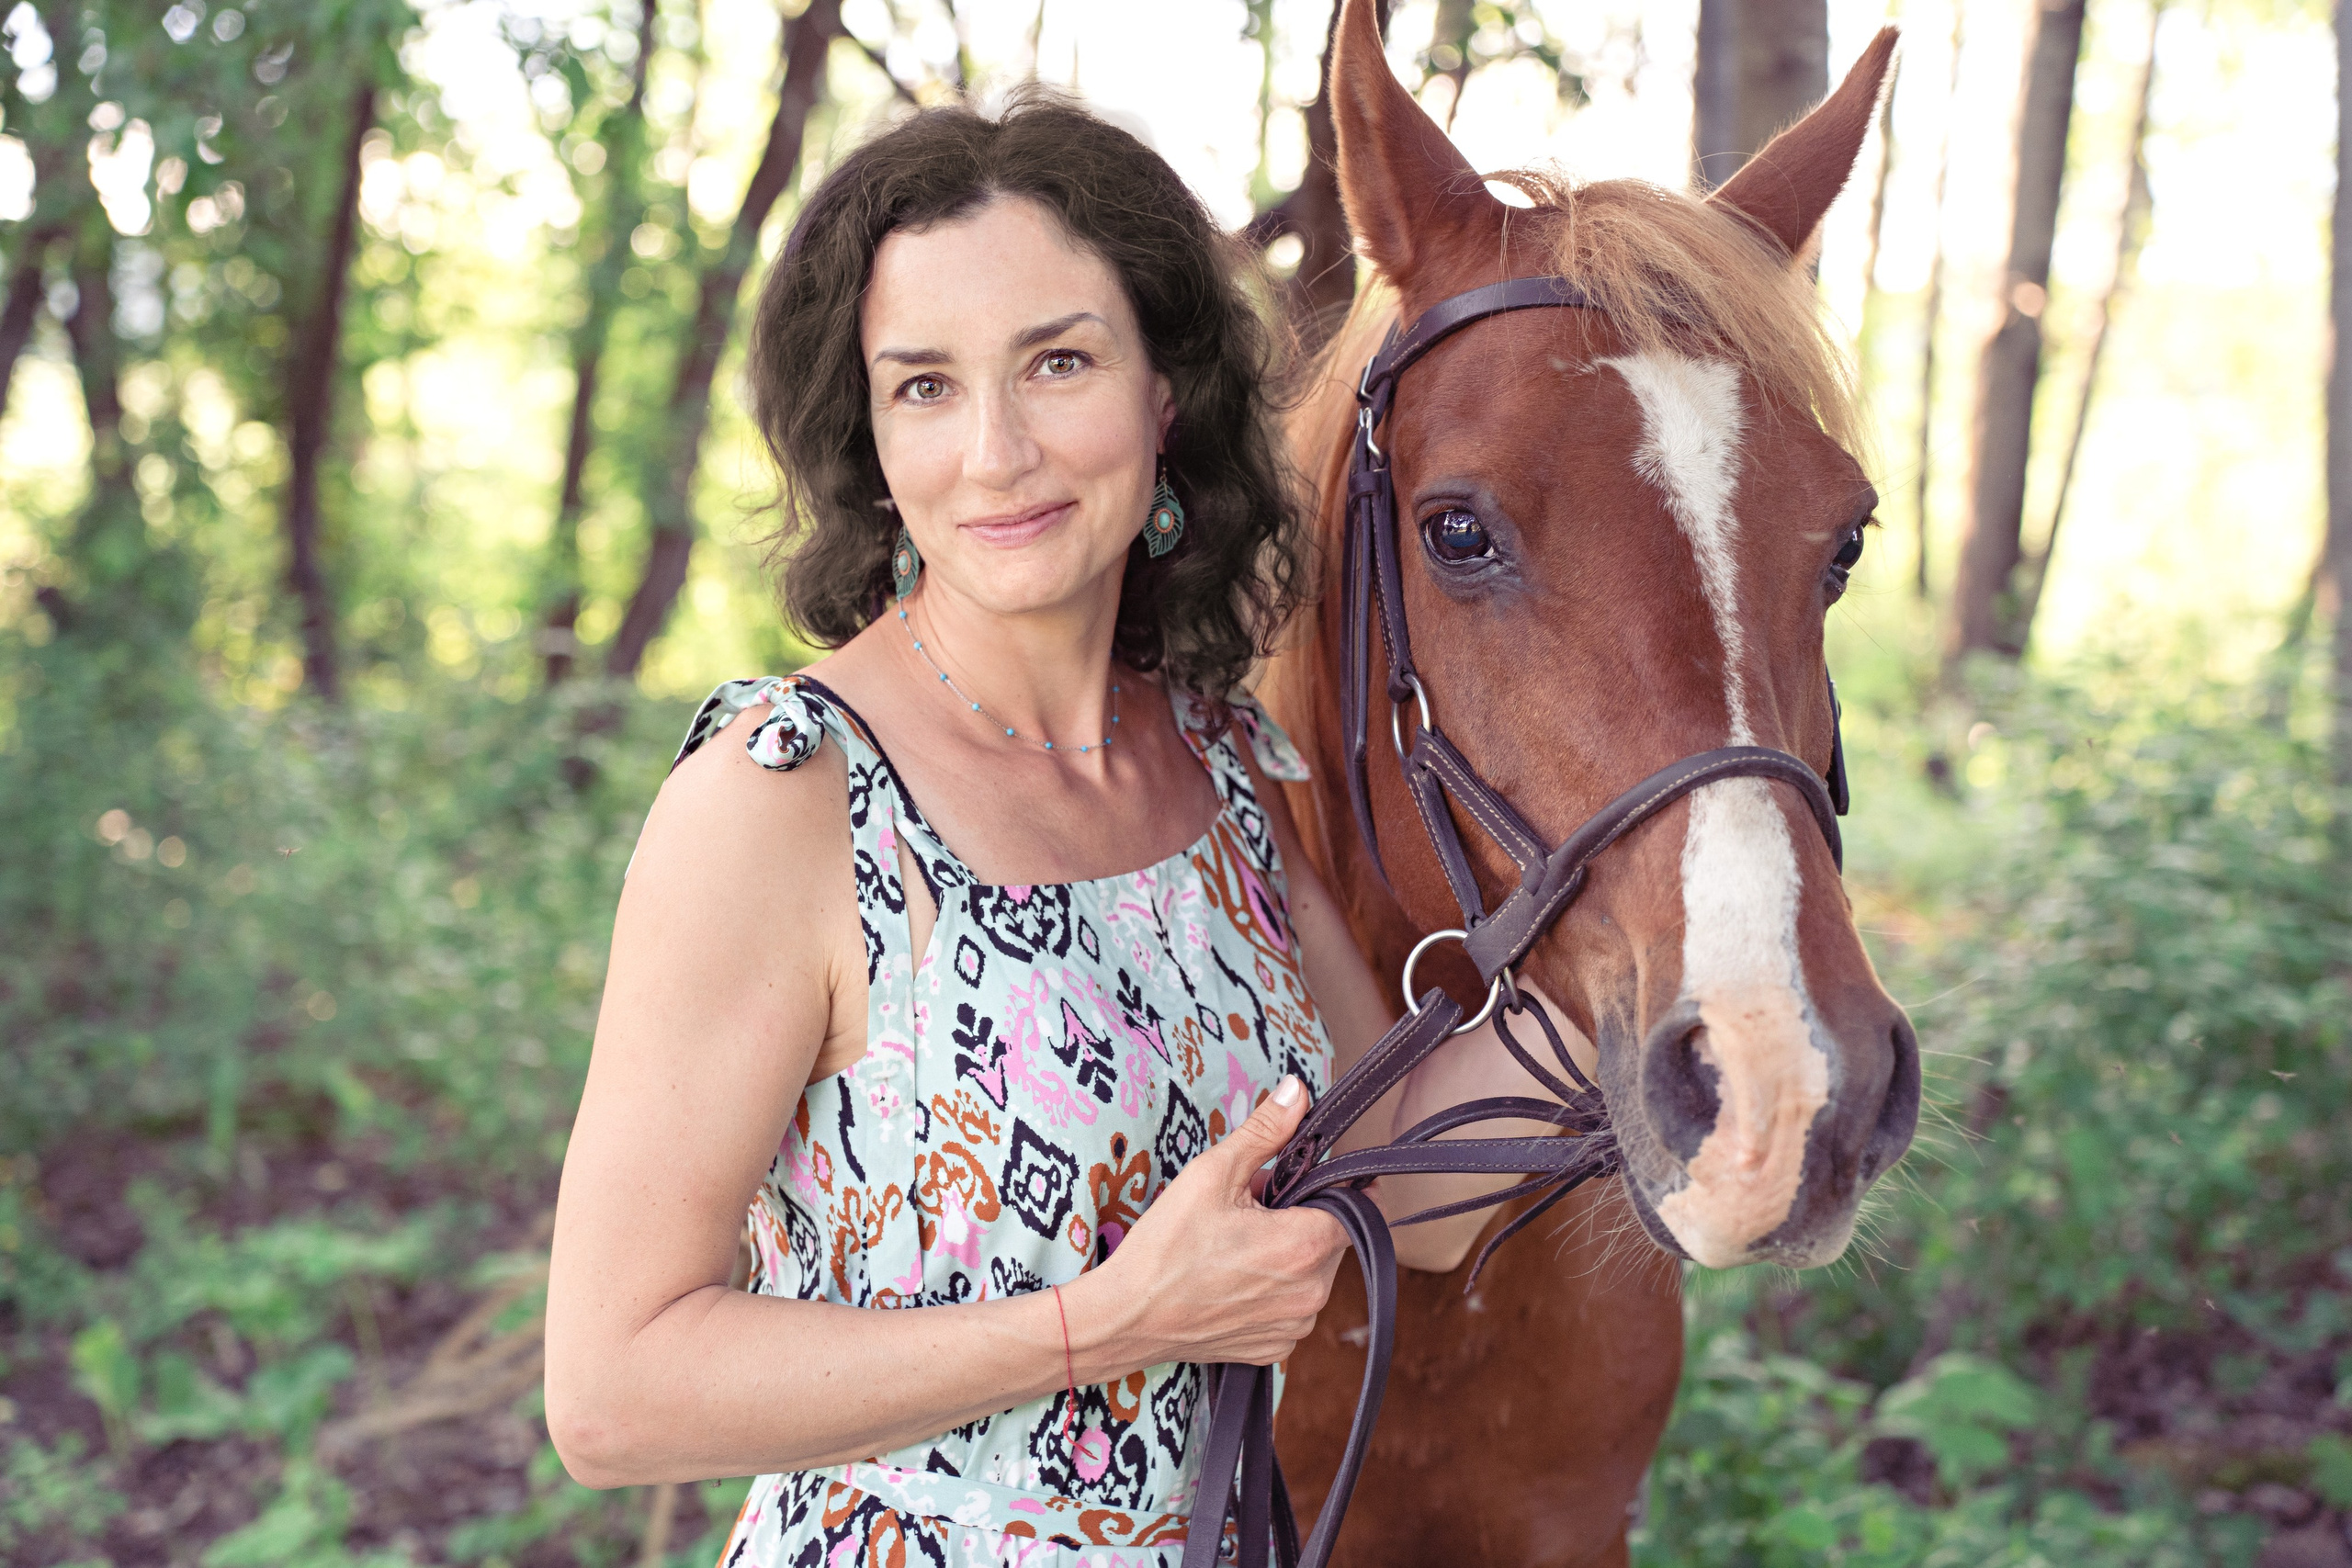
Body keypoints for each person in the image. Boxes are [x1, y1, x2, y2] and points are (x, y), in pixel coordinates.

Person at [543, 89, 1570, 1567]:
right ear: (873, 435)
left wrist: (1661, 940)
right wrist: (1113, 1325)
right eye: (925, 387)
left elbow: (1413, 1185)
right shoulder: (787, 799)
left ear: (1166, 392)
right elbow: (612, 1392)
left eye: (1059, 362)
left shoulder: (1220, 768)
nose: (998, 453)